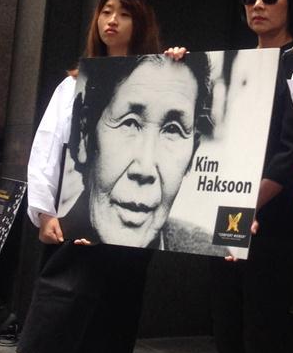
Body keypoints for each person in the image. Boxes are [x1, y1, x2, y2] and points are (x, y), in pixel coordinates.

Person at [18, 0, 164, 353]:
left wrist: (176, 64)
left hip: (128, 231)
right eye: (105, 11)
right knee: (67, 330)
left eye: (123, 13)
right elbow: (47, 149)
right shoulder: (72, 85)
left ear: (140, 22)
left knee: (112, 334)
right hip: (73, 224)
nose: (111, 21)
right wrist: (45, 214)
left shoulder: (159, 81)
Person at [210, 0, 293, 353]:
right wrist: (176, 65)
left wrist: (246, 204)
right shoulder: (230, 65)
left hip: (271, 222)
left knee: (262, 349)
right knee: (227, 347)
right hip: (224, 217)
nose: (257, 4)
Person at [58, 52, 214, 251]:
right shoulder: (53, 236)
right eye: (129, 123)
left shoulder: (208, 250)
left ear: (192, 154)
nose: (145, 169)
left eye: (172, 130)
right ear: (84, 135)